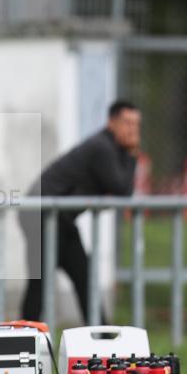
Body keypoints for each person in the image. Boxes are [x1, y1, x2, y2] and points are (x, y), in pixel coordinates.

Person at [19, 101, 141, 323]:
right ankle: (23, 338)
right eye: (127, 123)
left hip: (60, 219)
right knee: (41, 283)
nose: (132, 130)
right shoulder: (102, 147)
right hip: (41, 214)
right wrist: (132, 154)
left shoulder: (110, 149)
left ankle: (102, 338)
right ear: (111, 122)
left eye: (136, 124)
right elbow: (121, 188)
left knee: (84, 280)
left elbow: (120, 190)